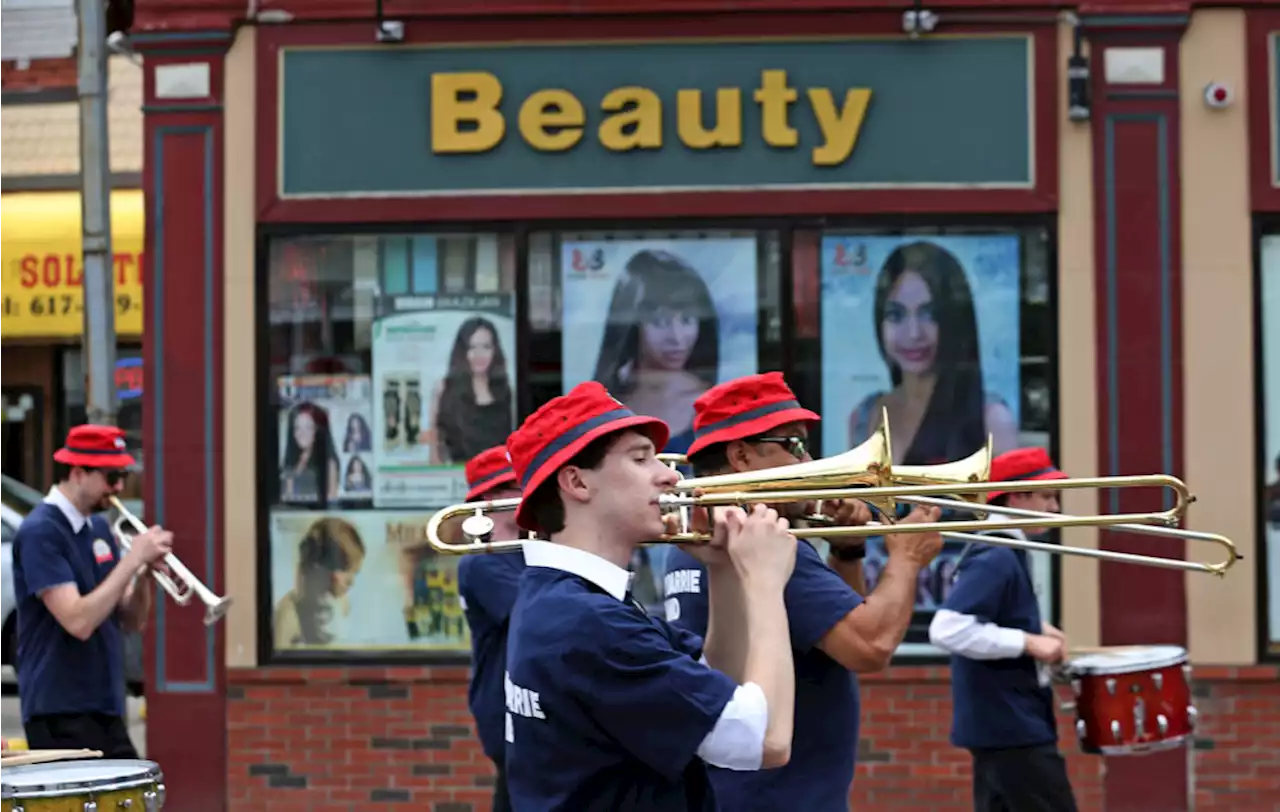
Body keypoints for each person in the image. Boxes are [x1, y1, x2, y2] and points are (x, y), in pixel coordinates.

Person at [503, 381, 799, 811]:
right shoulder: (589, 622)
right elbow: (766, 739)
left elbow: (718, 689)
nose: (670, 474)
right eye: (641, 458)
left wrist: (724, 572)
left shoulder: (564, 598)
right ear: (577, 483)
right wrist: (766, 584)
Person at [661, 371, 945, 811]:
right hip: (781, 797)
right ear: (740, 456)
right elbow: (869, 646)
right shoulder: (761, 542)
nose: (810, 461)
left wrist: (847, 552)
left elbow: (833, 638)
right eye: (794, 445)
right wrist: (906, 558)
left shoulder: (701, 537)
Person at [928, 446, 1078, 812]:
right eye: (1046, 496)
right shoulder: (998, 555)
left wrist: (1036, 627)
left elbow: (991, 614)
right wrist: (1030, 642)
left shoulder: (1004, 549)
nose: (1054, 508)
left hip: (1004, 723)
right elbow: (947, 628)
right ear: (1017, 495)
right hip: (1011, 724)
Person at [13, 425, 172, 757]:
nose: (118, 487)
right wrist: (132, 560)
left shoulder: (98, 527)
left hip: (104, 702)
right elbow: (77, 621)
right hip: (59, 708)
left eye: (123, 475)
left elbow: (129, 620)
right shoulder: (41, 531)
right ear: (78, 473)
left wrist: (143, 575)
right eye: (111, 476)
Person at [845, 240, 1018, 465]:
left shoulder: (991, 419)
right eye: (896, 315)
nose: (914, 333)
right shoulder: (864, 416)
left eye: (930, 314)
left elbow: (1013, 499)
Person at [456, 445, 526, 812]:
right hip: (505, 707)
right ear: (490, 497)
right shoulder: (482, 563)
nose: (529, 492)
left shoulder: (527, 549)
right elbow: (536, 616)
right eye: (517, 487)